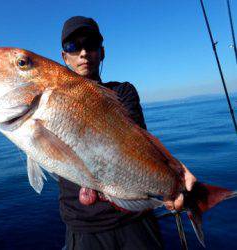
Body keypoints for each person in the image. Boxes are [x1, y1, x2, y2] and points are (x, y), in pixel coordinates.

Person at [59, 16, 196, 250]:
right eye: (73, 46)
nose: (83, 52)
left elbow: (135, 142)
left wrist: (174, 170)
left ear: (102, 52)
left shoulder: (122, 91)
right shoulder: (54, 99)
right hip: (84, 226)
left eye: (90, 44)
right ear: (64, 57)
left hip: (135, 220)